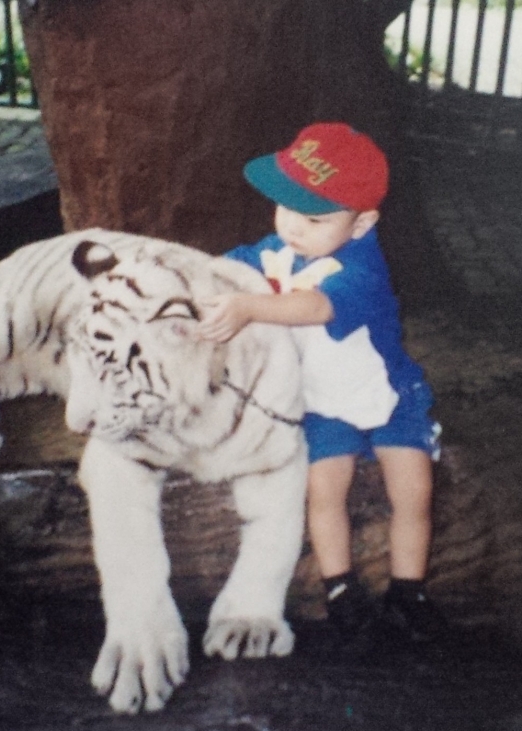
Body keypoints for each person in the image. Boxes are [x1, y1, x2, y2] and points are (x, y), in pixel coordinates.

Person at [198, 122, 446, 644]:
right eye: (285, 207)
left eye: (314, 217)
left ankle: (409, 589)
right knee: (323, 490)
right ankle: (340, 587)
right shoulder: (279, 251)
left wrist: (248, 306)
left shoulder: (361, 265)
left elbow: (314, 306)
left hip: (388, 396)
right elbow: (227, 265)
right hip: (322, 402)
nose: (294, 227)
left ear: (362, 223)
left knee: (413, 490)